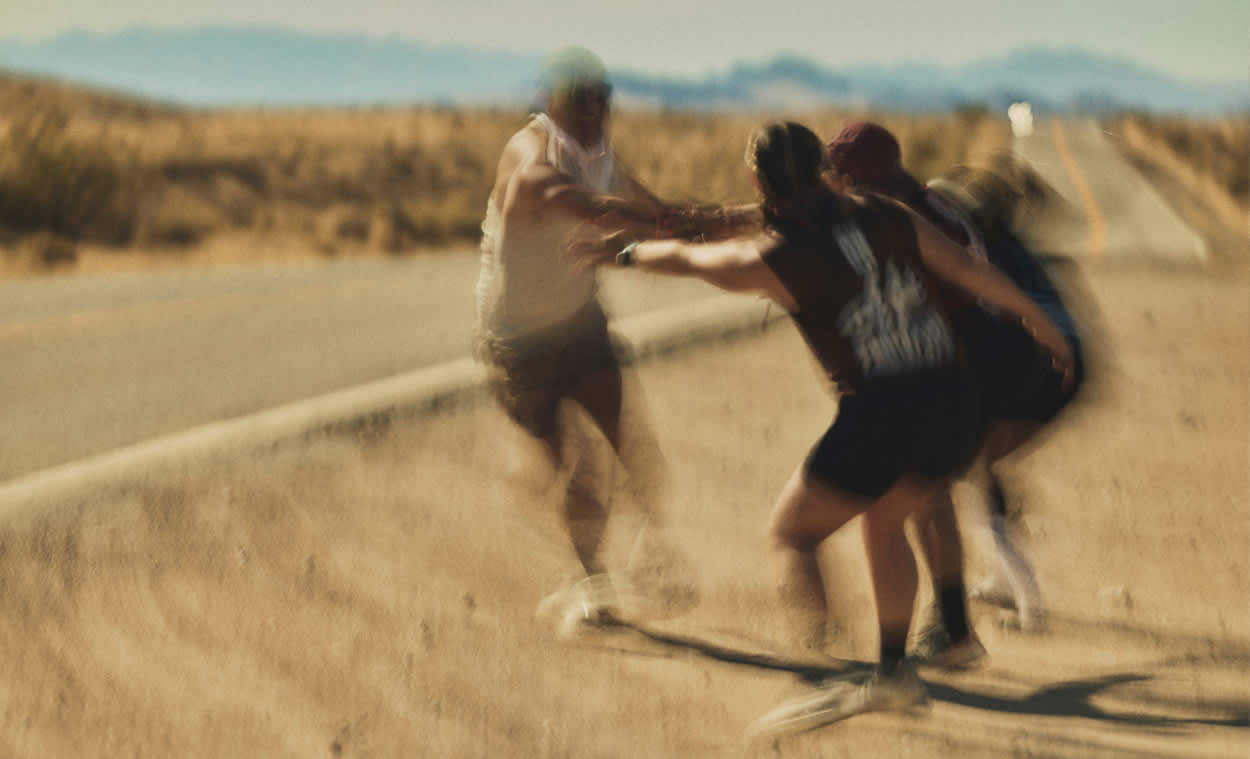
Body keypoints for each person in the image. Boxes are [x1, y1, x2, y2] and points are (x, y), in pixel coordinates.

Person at [568, 121, 1074, 726]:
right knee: (890, 517)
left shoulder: (778, 259)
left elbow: (688, 260)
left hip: (885, 411)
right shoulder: (884, 213)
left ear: (759, 180)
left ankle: (822, 657)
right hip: (954, 396)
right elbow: (966, 268)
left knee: (794, 533)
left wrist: (623, 253)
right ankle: (894, 669)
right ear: (821, 170)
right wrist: (1039, 323)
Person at [474, 46, 757, 632]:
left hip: (581, 326)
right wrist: (706, 220)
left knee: (627, 450)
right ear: (550, 101)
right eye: (582, 99)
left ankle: (609, 574)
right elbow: (604, 212)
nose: (596, 110)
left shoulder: (599, 155)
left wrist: (730, 219)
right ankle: (582, 563)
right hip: (519, 342)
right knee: (562, 466)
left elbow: (652, 210)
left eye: (603, 98)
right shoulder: (531, 159)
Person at [825, 121, 1086, 635]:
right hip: (1021, 360)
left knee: (932, 485)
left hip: (995, 366)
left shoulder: (904, 217)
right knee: (964, 479)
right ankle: (985, 596)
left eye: (839, 176)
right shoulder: (936, 207)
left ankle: (996, 612)